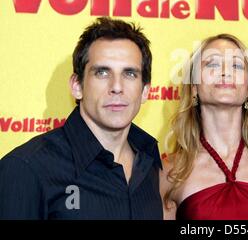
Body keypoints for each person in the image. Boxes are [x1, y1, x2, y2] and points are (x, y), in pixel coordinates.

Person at [0, 17, 162, 219]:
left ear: (145, 91)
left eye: (129, 74)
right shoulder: (26, 169)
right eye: (102, 72)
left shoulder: (150, 163)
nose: (117, 86)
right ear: (77, 86)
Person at [159, 33, 248, 220]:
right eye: (212, 63)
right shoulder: (170, 172)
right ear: (194, 87)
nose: (225, 71)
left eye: (236, 65)